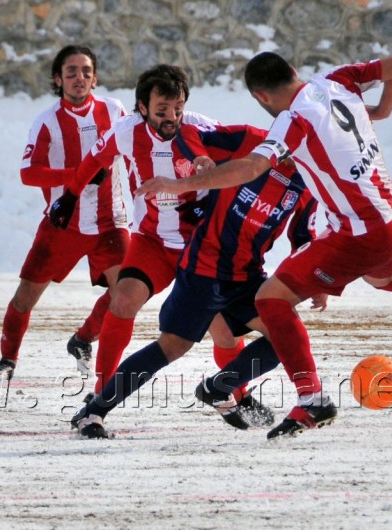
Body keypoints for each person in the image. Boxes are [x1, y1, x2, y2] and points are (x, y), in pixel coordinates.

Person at [140, 51, 392, 439]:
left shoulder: (292, 120)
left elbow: (250, 168)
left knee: (271, 299)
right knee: (383, 277)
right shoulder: (336, 80)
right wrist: (383, 108)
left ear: (261, 96)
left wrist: (179, 184)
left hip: (361, 232)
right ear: (294, 71)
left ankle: (311, 399)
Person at [68, 122, 319, 438]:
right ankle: (93, 412)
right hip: (204, 267)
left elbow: (303, 237)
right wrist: (198, 159)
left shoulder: (310, 180)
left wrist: (314, 283)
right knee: (173, 346)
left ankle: (220, 387)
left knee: (284, 336)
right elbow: (188, 133)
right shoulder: (249, 140)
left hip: (247, 275)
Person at [48, 65, 251, 404]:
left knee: (224, 329)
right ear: (142, 107)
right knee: (122, 299)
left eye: (178, 108)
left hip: (199, 246)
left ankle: (238, 396)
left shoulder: (203, 128)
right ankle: (102, 393)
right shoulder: (126, 132)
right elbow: (93, 161)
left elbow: (244, 165)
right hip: (153, 241)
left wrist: (214, 204)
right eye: (162, 110)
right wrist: (69, 197)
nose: (172, 117)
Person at [0, 45, 131, 382]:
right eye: (71, 72)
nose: (79, 77)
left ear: (95, 79)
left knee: (127, 293)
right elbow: (28, 173)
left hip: (111, 222)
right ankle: (7, 361)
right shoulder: (46, 122)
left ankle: (83, 339)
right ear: (58, 79)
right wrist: (77, 175)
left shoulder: (115, 110)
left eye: (86, 72)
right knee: (25, 297)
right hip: (64, 223)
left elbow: (136, 147)